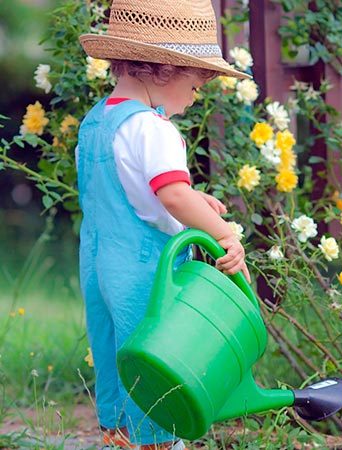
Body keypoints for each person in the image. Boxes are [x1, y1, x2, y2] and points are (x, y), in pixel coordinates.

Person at [76, 1, 251, 448]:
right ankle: (157, 440)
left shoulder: (96, 121)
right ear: (164, 70)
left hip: (98, 261)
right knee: (155, 354)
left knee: (115, 347)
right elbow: (171, 195)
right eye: (194, 86)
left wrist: (194, 199)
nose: (193, 99)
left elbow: (133, 187)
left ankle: (117, 433)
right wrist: (224, 234)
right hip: (144, 266)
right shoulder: (153, 128)